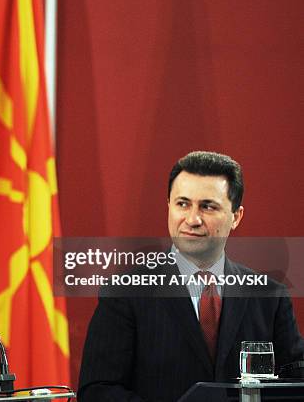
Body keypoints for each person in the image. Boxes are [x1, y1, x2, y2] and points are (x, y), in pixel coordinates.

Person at [78, 151, 304, 401]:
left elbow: (295, 383)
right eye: (182, 204)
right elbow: (98, 391)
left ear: (236, 217)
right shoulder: (125, 293)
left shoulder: (269, 296)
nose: (192, 219)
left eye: (207, 206)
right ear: (168, 207)